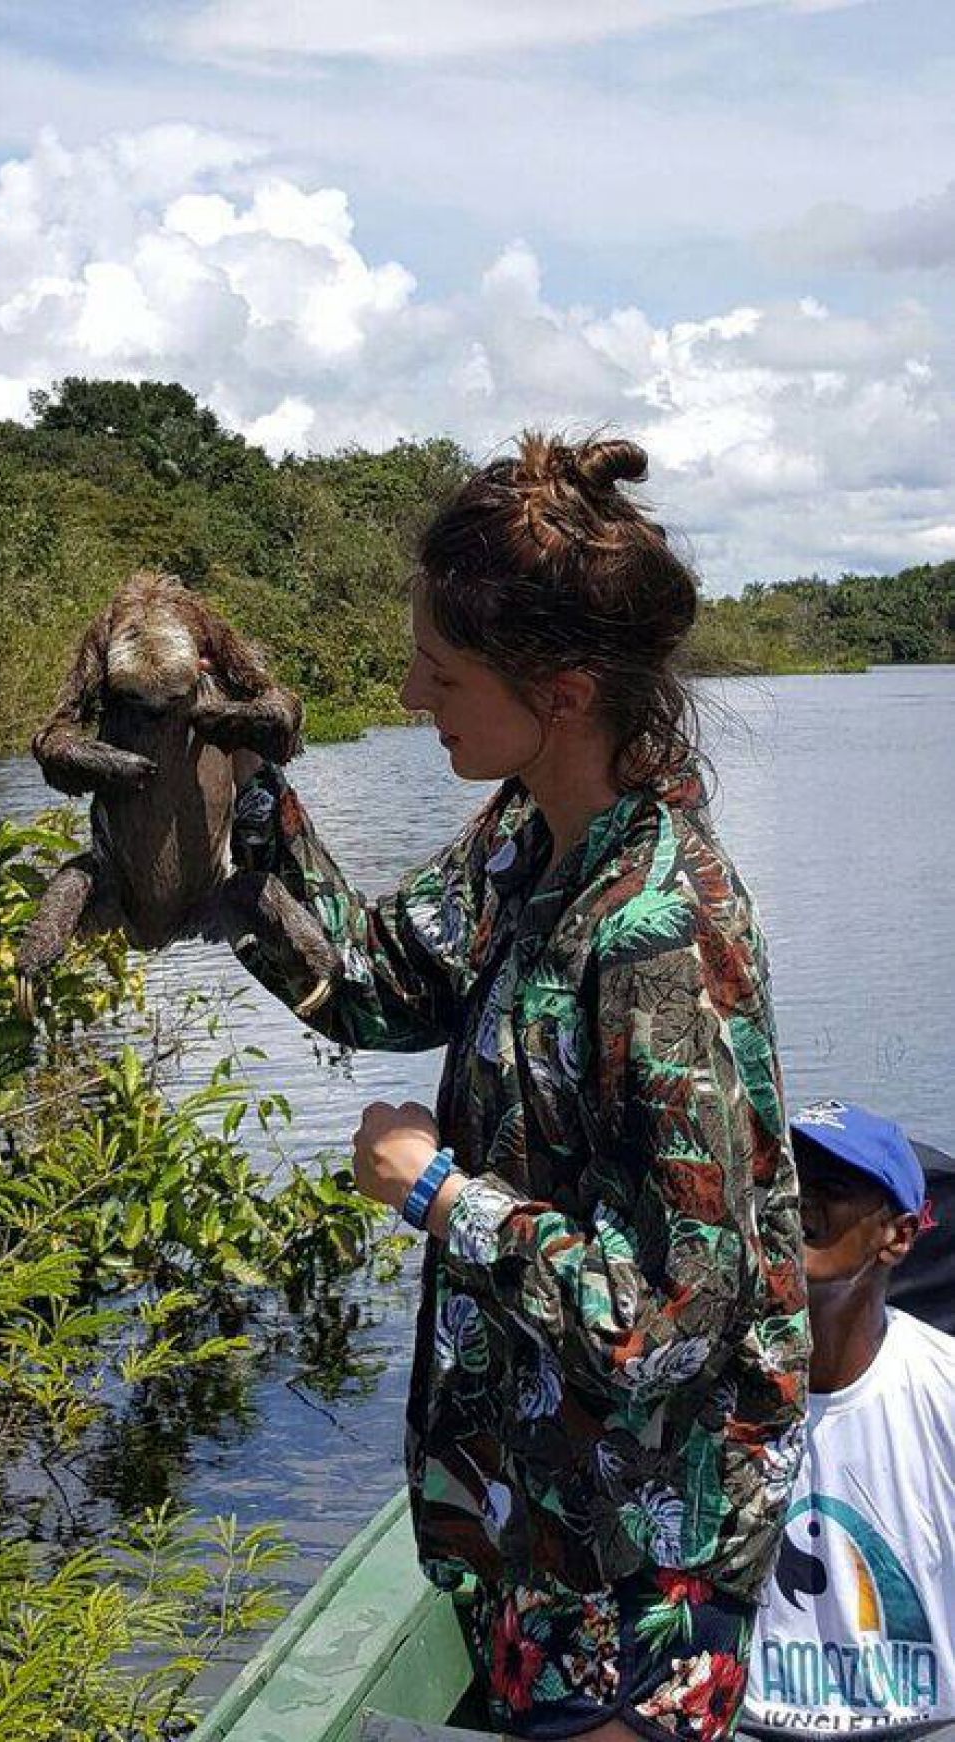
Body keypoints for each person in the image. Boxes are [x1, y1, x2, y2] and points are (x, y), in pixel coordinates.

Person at [232, 433, 809, 1742]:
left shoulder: (659, 934)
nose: (409, 688)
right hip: (538, 1533)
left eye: (440, 670)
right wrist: (242, 780)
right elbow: (373, 980)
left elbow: (672, 1319)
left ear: (557, 689)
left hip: (638, 1577)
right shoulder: (533, 836)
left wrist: (440, 1190)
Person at [741, 1102, 955, 1739]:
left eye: (829, 1189)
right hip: (748, 1727)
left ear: (900, 1235)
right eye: (781, 1183)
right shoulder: (700, 1386)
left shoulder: (943, 1391)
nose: (796, 1204)